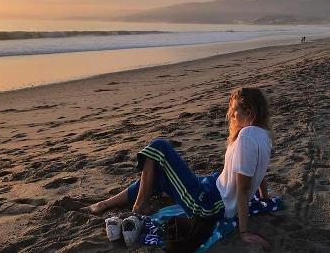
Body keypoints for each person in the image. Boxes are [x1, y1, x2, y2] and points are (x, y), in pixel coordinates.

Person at [83, 87, 273, 250]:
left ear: (249, 113)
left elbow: (244, 188)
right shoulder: (263, 135)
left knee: (159, 146)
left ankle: (138, 209)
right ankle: (105, 204)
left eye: (235, 111)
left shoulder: (247, 137)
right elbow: (259, 170)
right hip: (213, 185)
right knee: (157, 174)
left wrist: (244, 232)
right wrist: (264, 198)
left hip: (209, 202)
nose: (231, 115)